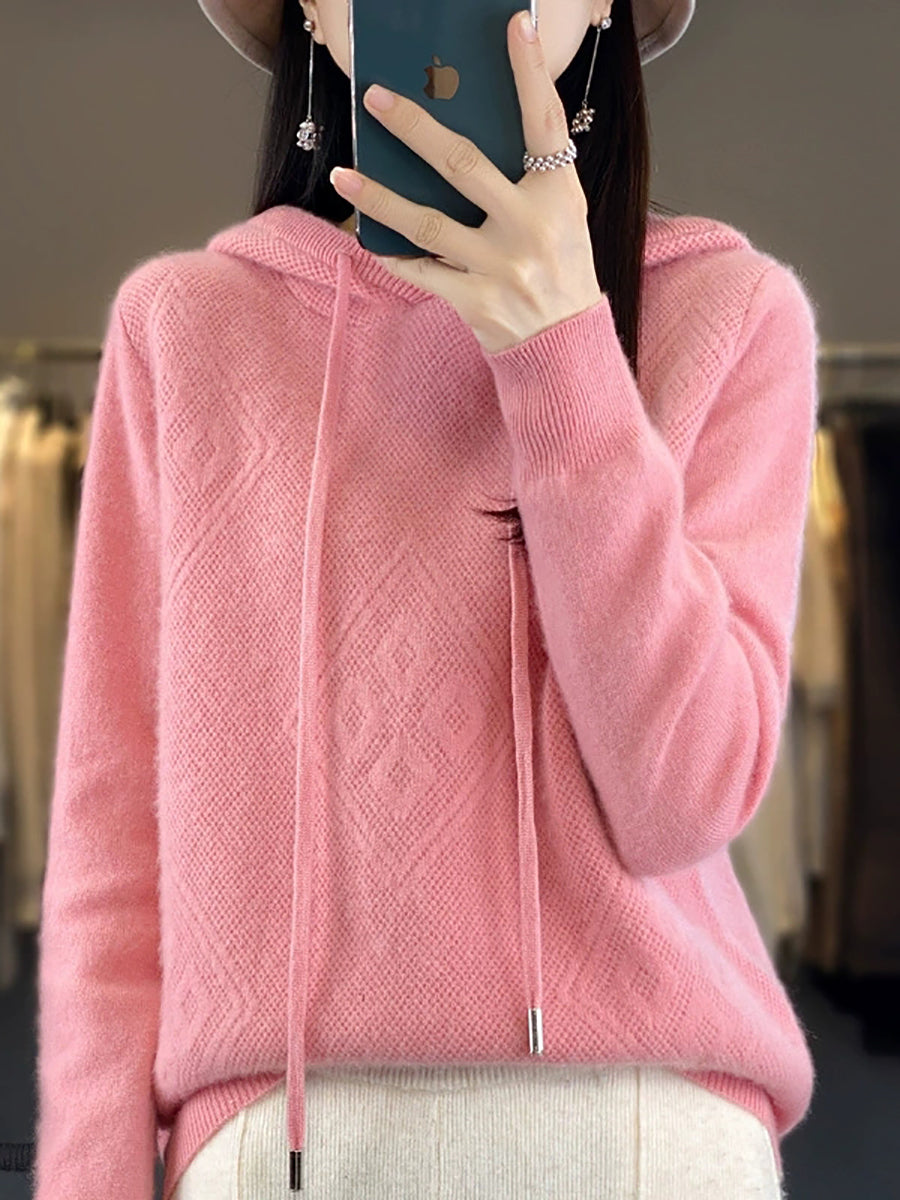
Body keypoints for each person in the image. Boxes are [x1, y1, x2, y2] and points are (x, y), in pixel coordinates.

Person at [31, 1, 820, 1197]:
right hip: (280, 1139)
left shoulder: (727, 312)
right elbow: (111, 834)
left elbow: (684, 799)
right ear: (313, 6)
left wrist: (563, 351)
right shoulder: (184, 329)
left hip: (646, 1132)